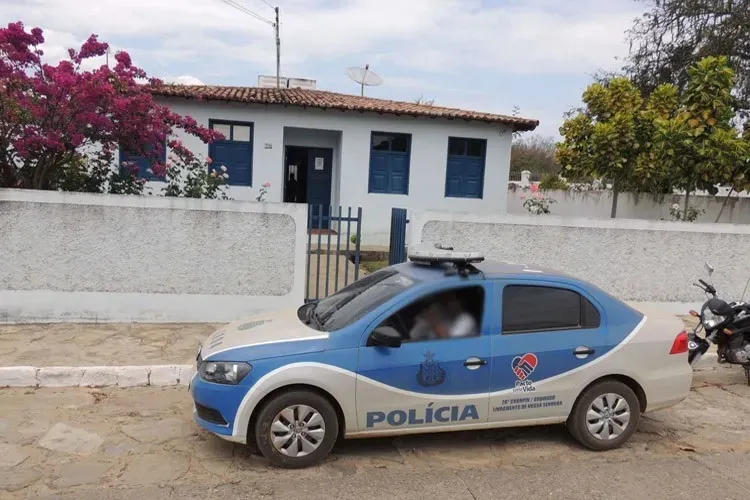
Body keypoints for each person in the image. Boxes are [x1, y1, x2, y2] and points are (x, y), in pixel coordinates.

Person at [409, 292, 477, 341]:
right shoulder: (444, 313)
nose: (448, 304)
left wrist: (435, 322)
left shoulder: (467, 319)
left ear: (461, 302)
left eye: (451, 300)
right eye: (446, 300)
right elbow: (413, 336)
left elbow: (451, 343)